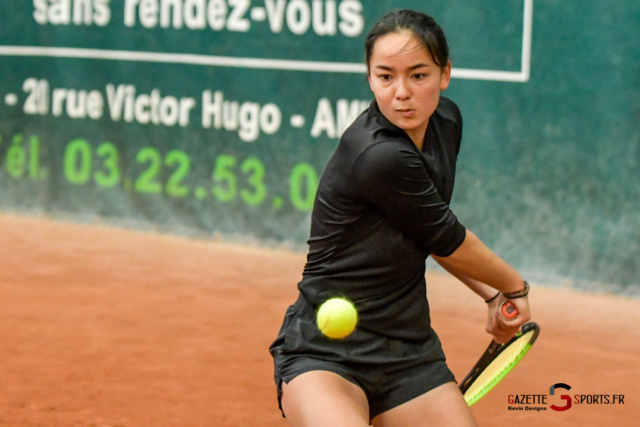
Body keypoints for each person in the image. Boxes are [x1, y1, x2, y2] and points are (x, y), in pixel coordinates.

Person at [269, 9, 531, 427]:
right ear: (369, 77)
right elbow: (448, 237)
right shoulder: (378, 154)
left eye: (419, 75)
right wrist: (513, 287)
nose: (401, 93)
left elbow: (429, 229)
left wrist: (492, 295)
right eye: (385, 76)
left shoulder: (446, 123)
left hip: (408, 353)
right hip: (325, 354)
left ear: (445, 74)